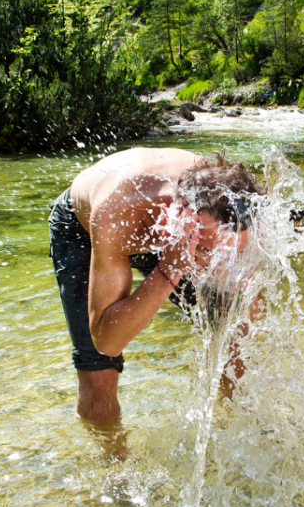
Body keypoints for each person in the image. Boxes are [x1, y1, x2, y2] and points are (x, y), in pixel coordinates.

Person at [48, 147, 265, 424]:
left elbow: (250, 313)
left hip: (184, 238)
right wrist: (170, 268)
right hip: (84, 228)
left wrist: (235, 304)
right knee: (99, 375)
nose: (223, 266)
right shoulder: (116, 209)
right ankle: (111, 459)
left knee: (234, 347)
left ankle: (234, 433)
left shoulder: (246, 206)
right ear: (177, 218)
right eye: (211, 253)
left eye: (234, 253)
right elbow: (107, 342)